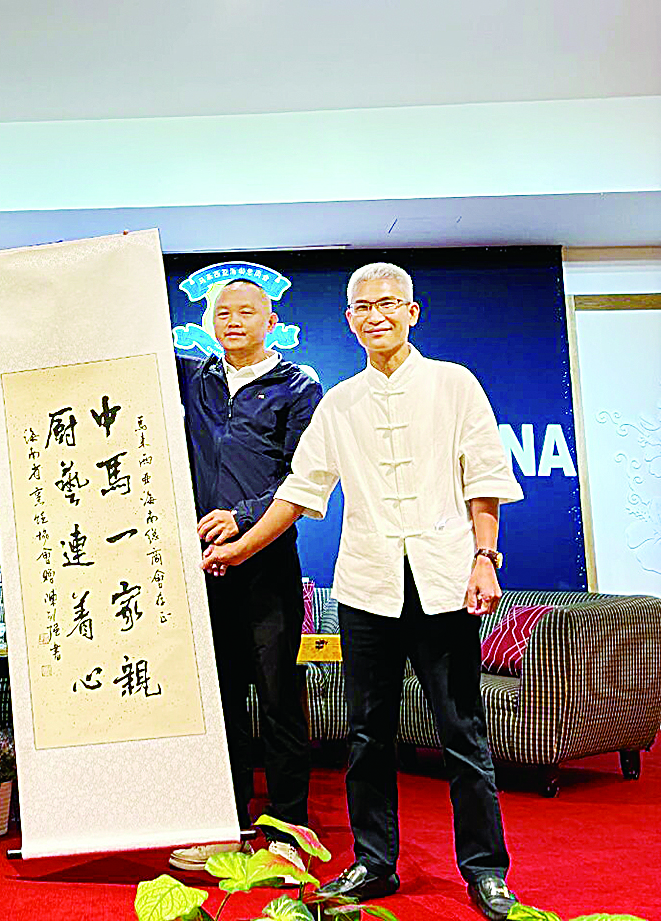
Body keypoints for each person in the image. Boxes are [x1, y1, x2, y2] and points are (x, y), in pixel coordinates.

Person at [201, 263, 523, 921]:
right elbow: (300, 489)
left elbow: (484, 478)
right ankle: (375, 862)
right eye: (363, 307)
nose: (376, 316)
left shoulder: (455, 384)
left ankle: (486, 870)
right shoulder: (340, 401)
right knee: (368, 735)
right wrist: (239, 547)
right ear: (349, 320)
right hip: (367, 587)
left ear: (412, 311)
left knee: (462, 733)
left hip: (443, 582)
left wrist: (485, 557)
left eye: (388, 304)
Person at [169, 278, 321, 874]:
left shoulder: (298, 386)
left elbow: (302, 474)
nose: (233, 321)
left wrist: (245, 518)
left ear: (270, 320)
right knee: (221, 700)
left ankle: (288, 829)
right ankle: (227, 824)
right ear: (209, 321)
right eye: (223, 313)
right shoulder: (192, 378)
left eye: (246, 312)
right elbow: (120, 349)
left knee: (279, 697)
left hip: (268, 562)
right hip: (200, 567)